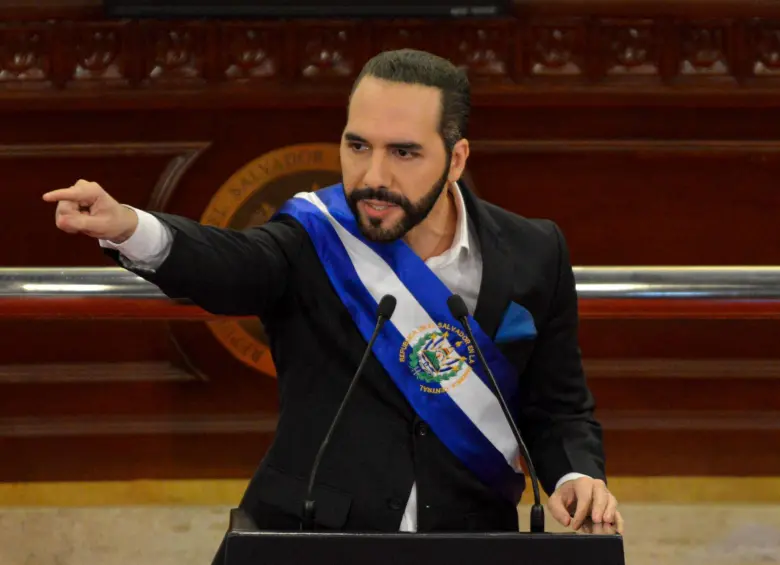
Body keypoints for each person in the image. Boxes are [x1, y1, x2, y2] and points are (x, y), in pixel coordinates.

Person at [44, 48, 623, 562]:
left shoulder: (534, 250)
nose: (373, 176)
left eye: (404, 152)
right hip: (307, 535)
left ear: (457, 159)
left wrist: (575, 473)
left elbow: (559, 407)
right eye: (357, 146)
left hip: (473, 540)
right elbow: (230, 264)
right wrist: (129, 228)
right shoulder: (314, 236)